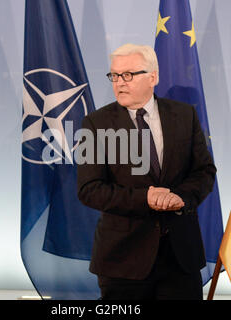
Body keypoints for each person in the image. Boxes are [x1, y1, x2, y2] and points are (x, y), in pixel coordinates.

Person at [77, 44, 216, 300]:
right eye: (114, 76)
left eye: (128, 75)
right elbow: (89, 190)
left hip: (180, 258)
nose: (120, 82)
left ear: (153, 77)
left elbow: (204, 171)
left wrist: (181, 197)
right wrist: (146, 199)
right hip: (123, 261)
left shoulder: (185, 115)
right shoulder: (96, 123)